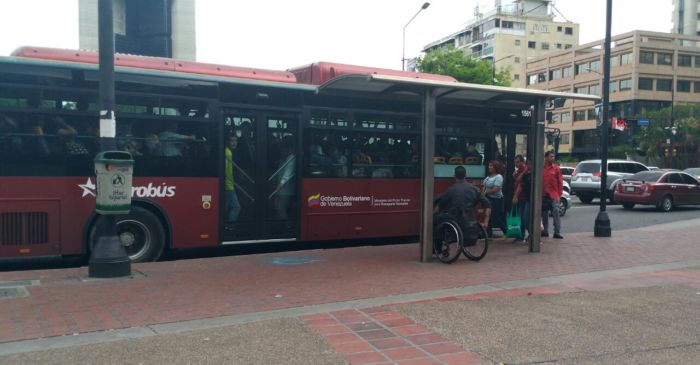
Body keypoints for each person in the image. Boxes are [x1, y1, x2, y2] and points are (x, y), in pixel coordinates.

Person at [434, 166, 492, 240]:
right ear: (466, 175)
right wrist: (486, 222)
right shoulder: (474, 189)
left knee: (435, 221)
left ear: (454, 176)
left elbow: (439, 206)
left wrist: (432, 215)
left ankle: (438, 247)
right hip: (470, 217)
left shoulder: (451, 190)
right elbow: (487, 204)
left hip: (454, 218)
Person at [272, 138, 296, 220]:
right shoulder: (283, 158)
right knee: (276, 205)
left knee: (280, 208)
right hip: (279, 188)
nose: (281, 151)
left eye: (282, 148)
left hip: (286, 189)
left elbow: (288, 172)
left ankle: (285, 225)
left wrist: (281, 183)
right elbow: (279, 173)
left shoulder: (292, 158)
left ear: (288, 148)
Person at [542, 150, 564, 239]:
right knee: (544, 213)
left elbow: (560, 182)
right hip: (543, 194)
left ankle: (557, 232)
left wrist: (559, 194)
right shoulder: (541, 167)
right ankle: (545, 231)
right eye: (551, 156)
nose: (552, 158)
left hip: (554, 195)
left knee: (556, 212)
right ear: (546, 157)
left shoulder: (556, 168)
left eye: (553, 156)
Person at [483, 160, 507, 238]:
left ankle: (506, 232)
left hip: (497, 200)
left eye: (491, 166)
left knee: (496, 217)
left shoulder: (499, 177)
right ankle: (488, 235)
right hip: (488, 199)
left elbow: (496, 189)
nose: (489, 167)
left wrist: (486, 192)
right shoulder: (488, 177)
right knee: (488, 216)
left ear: (495, 167)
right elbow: (484, 186)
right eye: (489, 166)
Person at [512, 155, 530, 243]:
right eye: (515, 162)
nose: (516, 164)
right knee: (520, 217)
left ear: (522, 162)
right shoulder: (518, 170)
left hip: (523, 197)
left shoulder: (525, 170)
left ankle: (529, 234)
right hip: (519, 197)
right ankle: (521, 235)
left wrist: (515, 196)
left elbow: (520, 183)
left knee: (524, 217)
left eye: (518, 162)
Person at [225, 135, 241, 223]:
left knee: (226, 207)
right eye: (232, 141)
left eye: (236, 141)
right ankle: (230, 226)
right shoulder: (228, 153)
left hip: (228, 184)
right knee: (236, 207)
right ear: (227, 142)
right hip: (228, 185)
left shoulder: (227, 151)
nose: (234, 143)